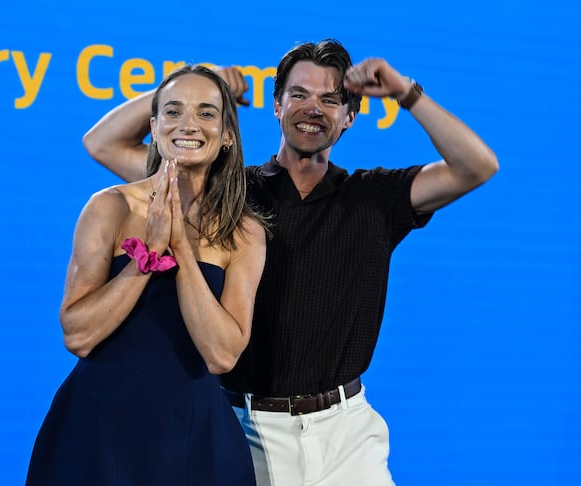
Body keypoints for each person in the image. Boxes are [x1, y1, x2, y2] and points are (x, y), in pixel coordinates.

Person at [82, 39, 499, 485]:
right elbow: (103, 143)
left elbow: (477, 165)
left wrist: (405, 93)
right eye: (298, 95)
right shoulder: (225, 193)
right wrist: (201, 85)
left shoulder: (375, 197)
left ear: (350, 117)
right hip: (244, 427)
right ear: (276, 108)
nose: (312, 108)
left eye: (330, 99)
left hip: (348, 436)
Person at [25, 65, 267, 485]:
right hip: (95, 431)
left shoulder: (244, 232)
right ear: (153, 128)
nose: (188, 124)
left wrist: (180, 250)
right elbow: (78, 335)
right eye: (172, 112)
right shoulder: (109, 207)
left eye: (206, 113)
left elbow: (221, 354)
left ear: (228, 135)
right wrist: (146, 257)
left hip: (193, 438)